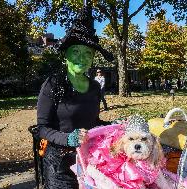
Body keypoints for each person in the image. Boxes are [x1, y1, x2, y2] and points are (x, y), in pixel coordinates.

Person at [36, 5, 113, 189]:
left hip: (89, 159)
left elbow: (92, 122)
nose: (82, 57)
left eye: (88, 53)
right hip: (59, 164)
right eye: (76, 51)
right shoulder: (53, 84)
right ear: (67, 55)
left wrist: (111, 126)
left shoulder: (94, 87)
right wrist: (68, 138)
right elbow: (42, 129)